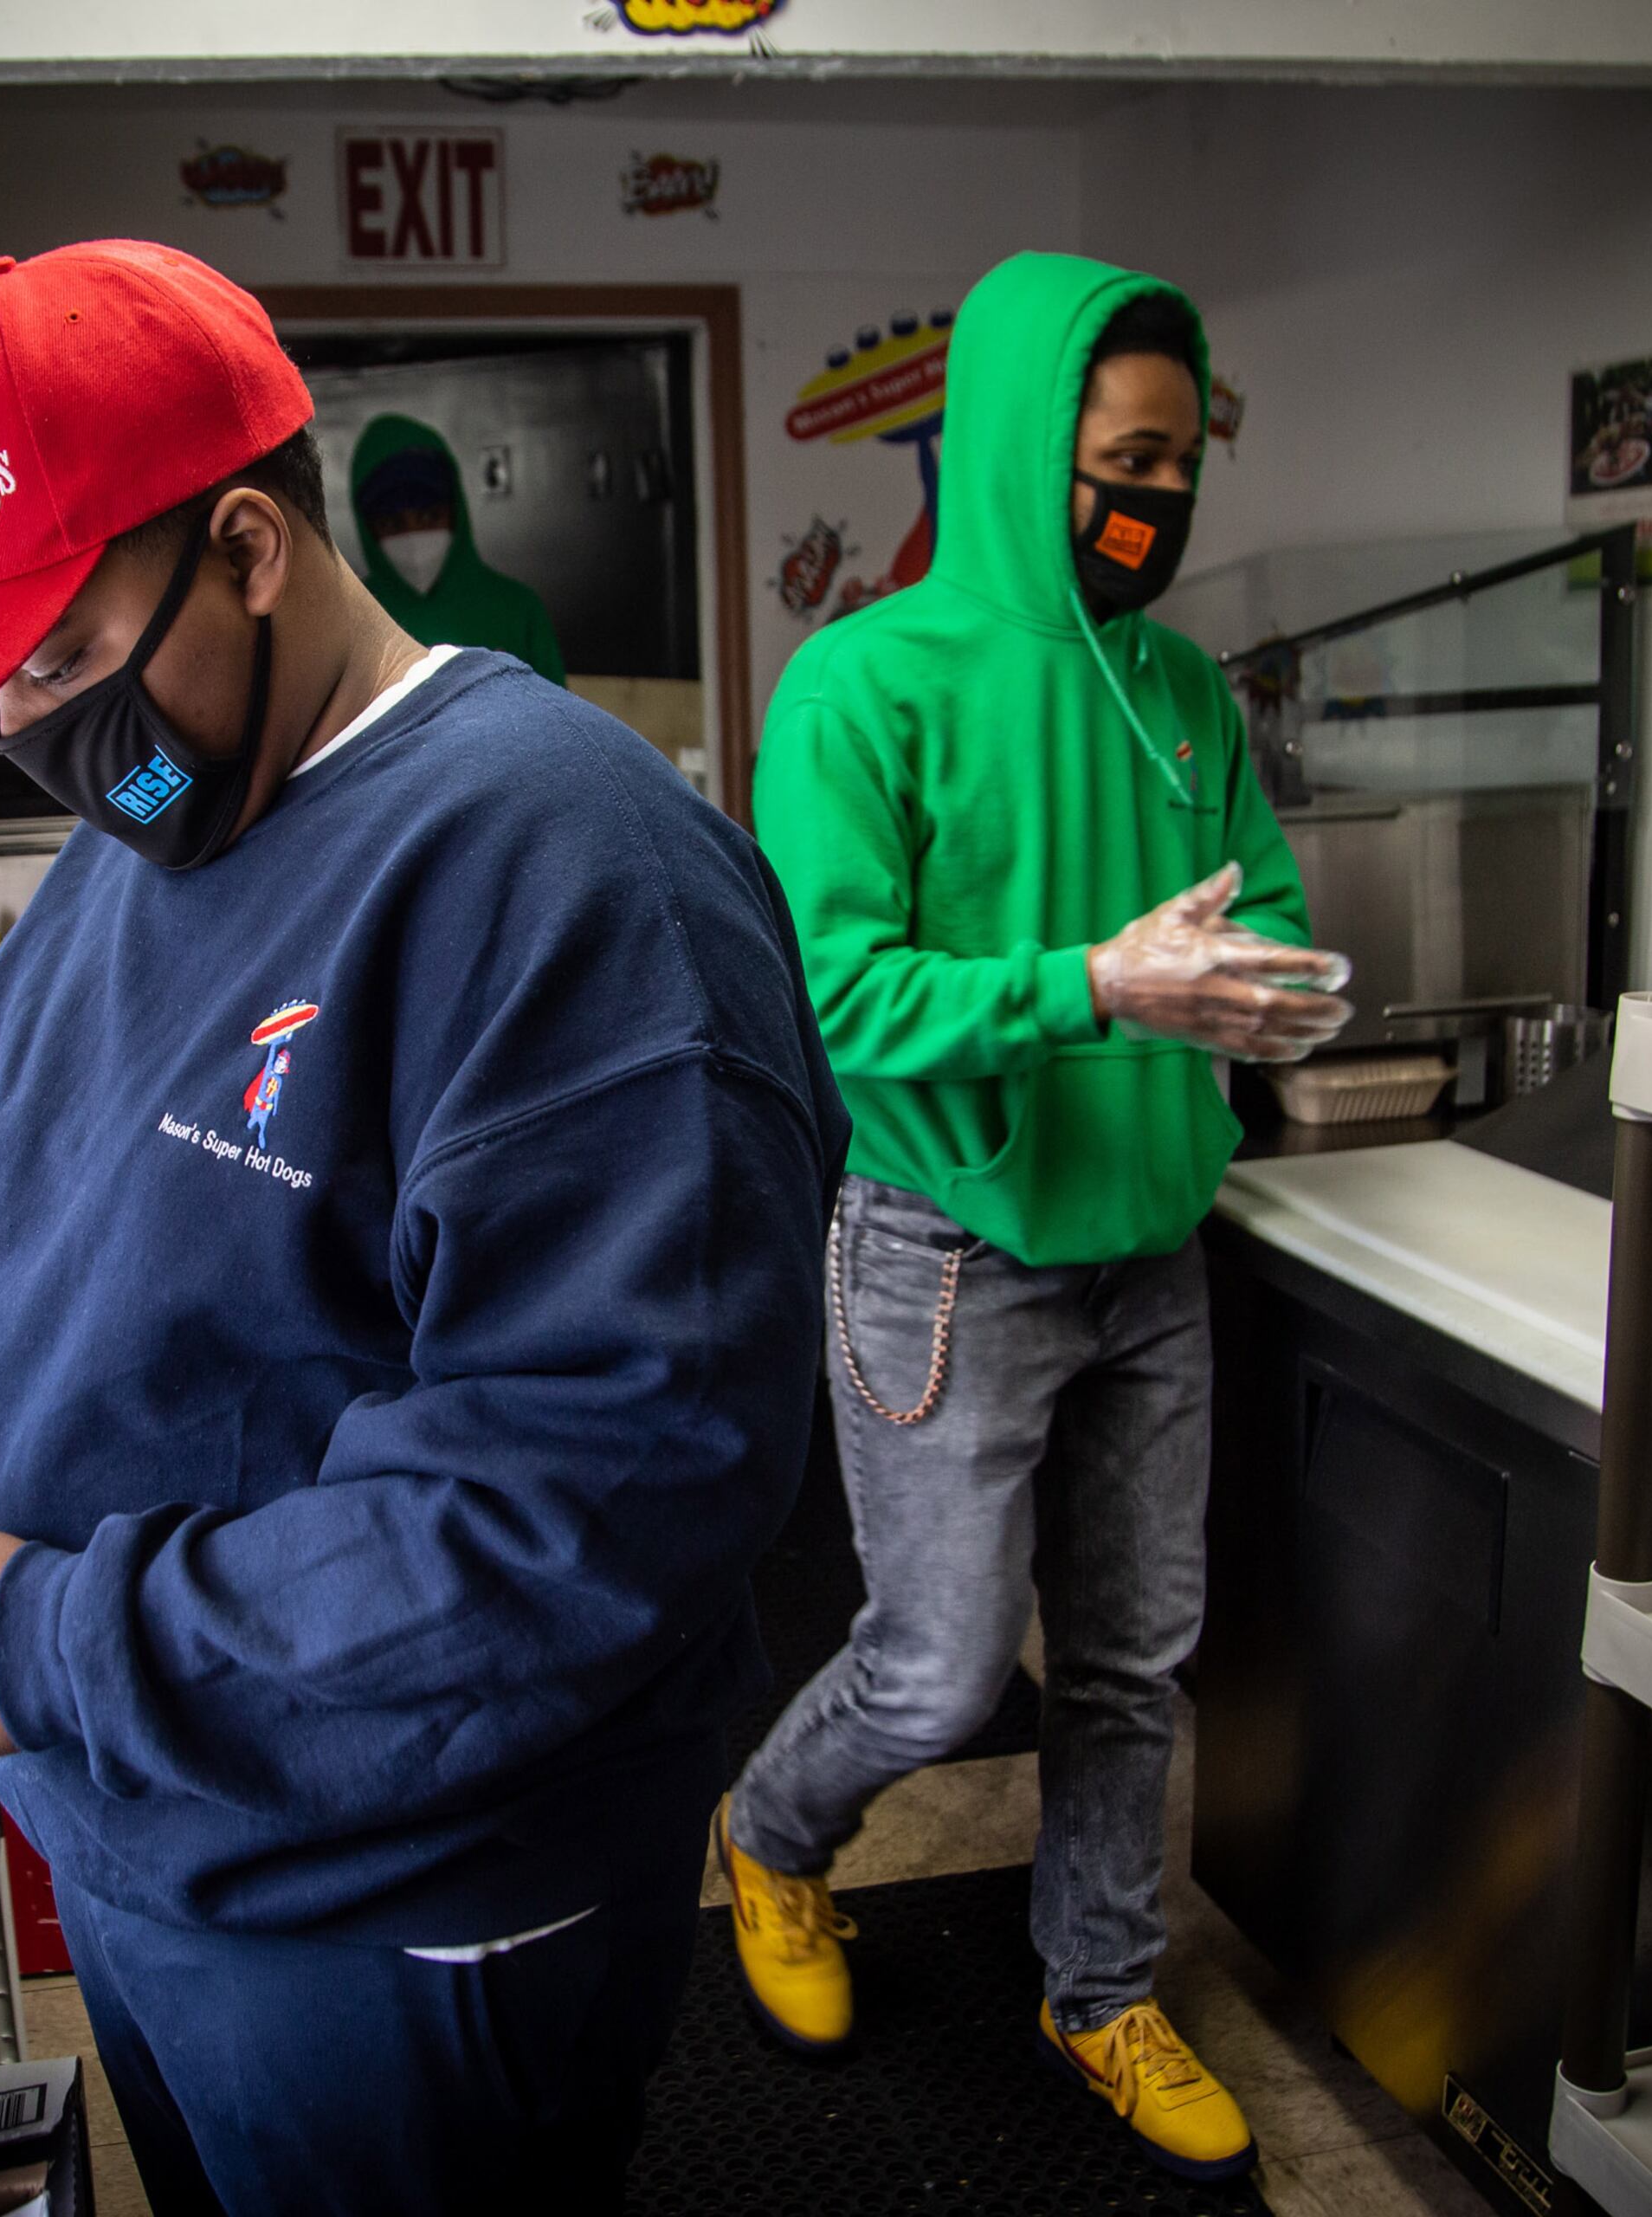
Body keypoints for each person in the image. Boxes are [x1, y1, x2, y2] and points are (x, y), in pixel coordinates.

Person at [0, 241, 845, 2217]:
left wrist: (36, 1631)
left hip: (392, 1904)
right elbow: (49, 1150)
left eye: (58, 647)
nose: (32, 721)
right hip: (145, 1826)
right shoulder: (155, 825)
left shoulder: (570, 877)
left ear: (248, 544)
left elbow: (596, 1501)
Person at [711, 252, 1353, 2182]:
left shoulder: (1182, 693)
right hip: (947, 1249)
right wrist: (1099, 986)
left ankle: (1100, 1985)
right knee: (933, 1663)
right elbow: (838, 1000)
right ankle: (775, 1830)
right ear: (1017, 445)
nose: (1152, 498)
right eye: (1118, 456)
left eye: (1178, 460)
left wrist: (1279, 991)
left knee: (1135, 1659)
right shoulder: (864, 687)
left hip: (1151, 1251)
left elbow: (1265, 916)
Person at [345, 412, 567, 682]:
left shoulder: (517, 611)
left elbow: (556, 717)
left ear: (456, 512)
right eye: (392, 523)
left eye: (429, 516)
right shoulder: (351, 622)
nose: (413, 534)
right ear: (368, 530)